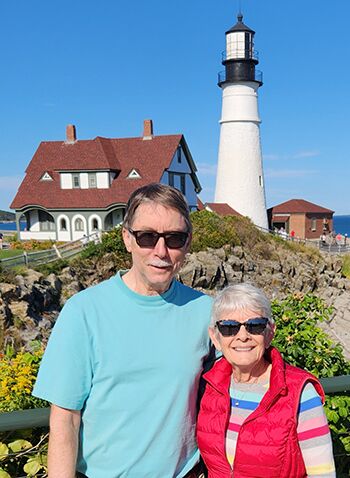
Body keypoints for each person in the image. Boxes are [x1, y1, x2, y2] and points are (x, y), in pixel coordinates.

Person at [33, 183, 212, 478]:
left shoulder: (205, 310)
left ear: (188, 242)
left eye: (174, 238)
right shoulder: (84, 311)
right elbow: (65, 419)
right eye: (147, 237)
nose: (161, 251)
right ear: (127, 239)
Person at [197, 284, 335, 478]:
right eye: (229, 327)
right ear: (215, 337)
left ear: (270, 332)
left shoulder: (299, 393)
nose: (242, 336)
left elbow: (323, 474)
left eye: (255, 325)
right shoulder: (209, 386)